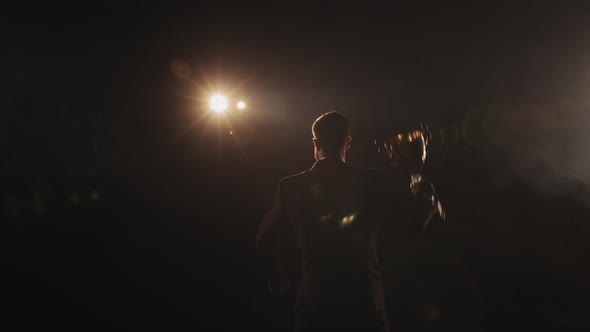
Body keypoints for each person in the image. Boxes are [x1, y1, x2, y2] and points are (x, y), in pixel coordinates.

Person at [256, 112, 443, 332]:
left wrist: (276, 277)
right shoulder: (370, 182)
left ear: (315, 142)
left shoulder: (290, 186)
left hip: (314, 307)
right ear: (348, 141)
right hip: (363, 307)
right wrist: (425, 197)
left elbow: (264, 237)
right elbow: (409, 228)